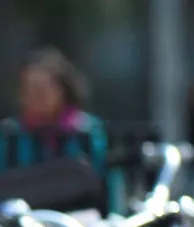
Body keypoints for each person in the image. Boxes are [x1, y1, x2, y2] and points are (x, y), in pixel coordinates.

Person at [0, 46, 121, 214]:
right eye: (27, 91)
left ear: (62, 90)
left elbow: (111, 189)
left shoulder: (87, 133)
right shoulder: (10, 137)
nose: (33, 98)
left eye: (41, 91)